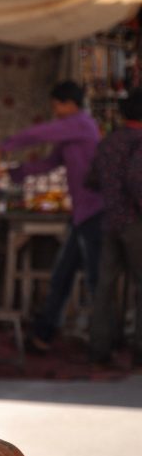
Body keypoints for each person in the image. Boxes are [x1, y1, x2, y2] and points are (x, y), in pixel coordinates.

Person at [0, 81, 105, 353]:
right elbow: (49, 163)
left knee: (94, 279)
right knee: (62, 276)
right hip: (82, 213)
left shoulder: (81, 124)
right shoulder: (73, 132)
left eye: (57, 105)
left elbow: (42, 134)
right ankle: (45, 334)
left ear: (70, 104)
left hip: (95, 211)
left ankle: (101, 342)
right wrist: (13, 173)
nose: (55, 111)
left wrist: (6, 146)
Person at [86, 88, 142, 369]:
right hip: (135, 221)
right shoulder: (139, 140)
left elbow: (92, 178)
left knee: (105, 287)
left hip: (110, 220)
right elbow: (136, 179)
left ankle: (100, 347)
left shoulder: (109, 141)